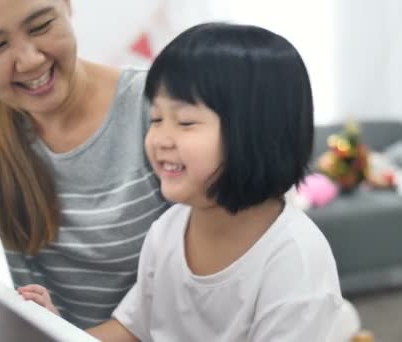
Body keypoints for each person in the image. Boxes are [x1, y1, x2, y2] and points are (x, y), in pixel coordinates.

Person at [20, 22, 344, 341]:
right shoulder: (169, 229)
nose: (160, 138)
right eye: (156, 119)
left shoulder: (295, 264)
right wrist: (57, 333)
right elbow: (133, 329)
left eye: (185, 121)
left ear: (256, 133)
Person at [0, 0, 168, 328]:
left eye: (42, 25)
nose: (30, 60)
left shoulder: (160, 109)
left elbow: (204, 292)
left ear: (67, 7)